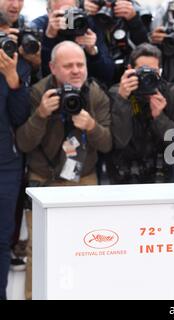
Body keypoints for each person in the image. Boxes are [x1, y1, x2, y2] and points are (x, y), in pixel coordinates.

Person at [16, 40, 111, 299]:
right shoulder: (37, 92)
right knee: (39, 250)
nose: (76, 70)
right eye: (68, 66)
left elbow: (108, 144)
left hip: (84, 177)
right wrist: (40, 115)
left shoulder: (95, 94)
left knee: (87, 246)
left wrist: (91, 126)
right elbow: (23, 142)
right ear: (52, 68)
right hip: (43, 180)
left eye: (80, 65)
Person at [107, 43, 174, 184]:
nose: (147, 77)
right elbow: (120, 141)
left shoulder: (171, 93)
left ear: (160, 71)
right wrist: (122, 100)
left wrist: (159, 117)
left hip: (160, 172)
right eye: (142, 71)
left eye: (152, 71)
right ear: (130, 70)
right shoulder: (117, 92)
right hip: (124, 173)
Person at [0, 11, 30, 300]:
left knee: (1, 239)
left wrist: (12, 79)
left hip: (5, 164)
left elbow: (21, 116)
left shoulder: (16, 64)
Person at [31, 0, 114, 87]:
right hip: (55, 89)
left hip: (86, 87)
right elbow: (44, 75)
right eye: (62, 14)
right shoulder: (40, 26)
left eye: (71, 12)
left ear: (79, 9)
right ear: (49, 13)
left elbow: (107, 75)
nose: (68, 19)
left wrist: (93, 52)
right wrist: (49, 38)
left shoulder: (86, 24)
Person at [82, 0, 150, 83]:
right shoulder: (85, 8)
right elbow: (67, 35)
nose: (109, 3)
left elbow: (147, 50)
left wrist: (134, 20)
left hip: (128, 76)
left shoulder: (137, 10)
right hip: (93, 77)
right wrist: (78, 8)